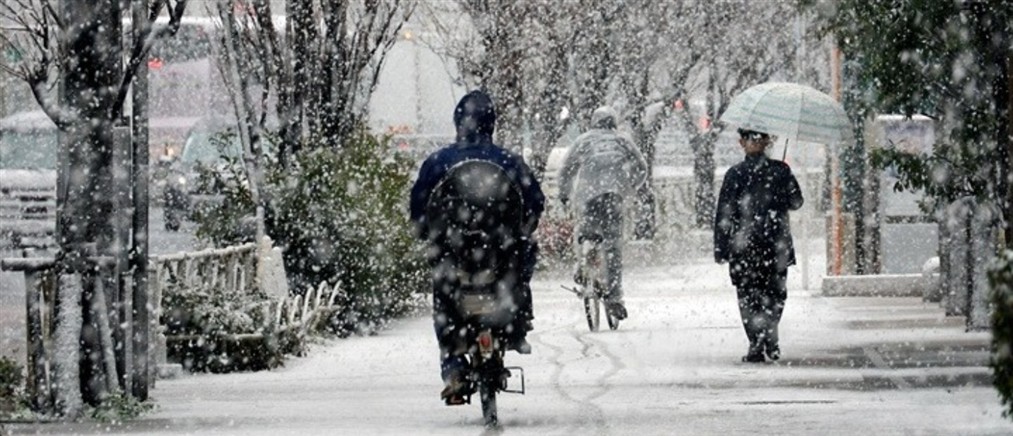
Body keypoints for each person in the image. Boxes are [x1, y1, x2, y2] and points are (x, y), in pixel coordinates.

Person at [409, 90, 544, 402]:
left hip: (453, 256)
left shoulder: (438, 162)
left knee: (446, 304)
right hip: (502, 254)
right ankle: (516, 329)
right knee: (520, 270)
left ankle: (454, 368)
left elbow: (419, 209)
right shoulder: (509, 161)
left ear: (459, 122)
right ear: (491, 124)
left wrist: (428, 237)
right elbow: (535, 203)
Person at [713, 128, 804, 363]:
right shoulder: (779, 171)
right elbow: (796, 202)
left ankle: (757, 341)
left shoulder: (735, 174)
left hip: (745, 246)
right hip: (776, 244)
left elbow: (724, 213)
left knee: (749, 297)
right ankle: (768, 339)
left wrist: (721, 247)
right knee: (774, 295)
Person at [558, 106, 649, 320]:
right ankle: (614, 298)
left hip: (587, 196)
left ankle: (581, 266)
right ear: (613, 122)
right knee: (612, 247)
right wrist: (631, 185)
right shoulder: (622, 140)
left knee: (583, 231)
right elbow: (642, 167)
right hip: (613, 197)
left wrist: (564, 194)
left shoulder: (583, 140)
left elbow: (567, 168)